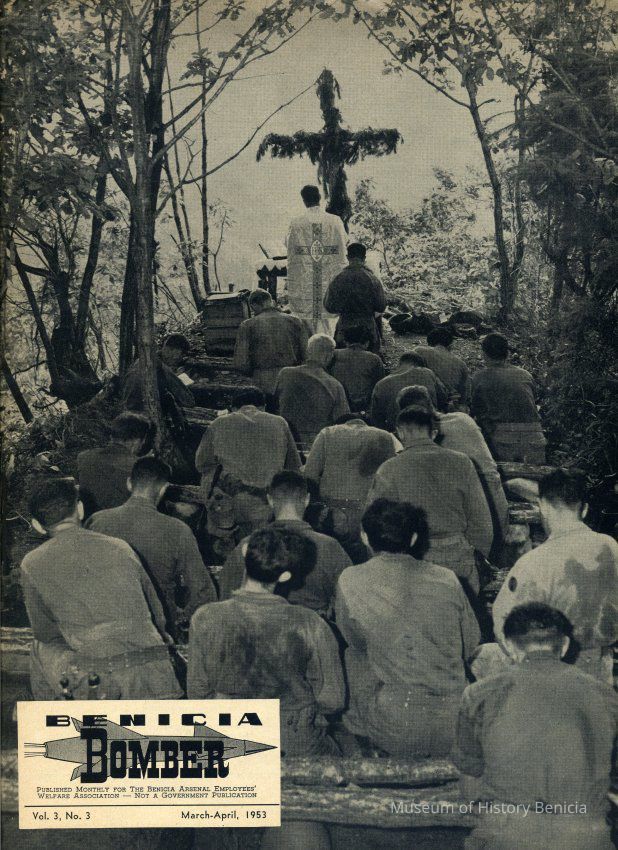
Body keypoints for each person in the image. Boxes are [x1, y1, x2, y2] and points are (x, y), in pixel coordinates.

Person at [454, 603, 617, 850]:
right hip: (586, 836)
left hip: (509, 835)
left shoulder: (479, 694)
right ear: (564, 645)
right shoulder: (607, 695)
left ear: (508, 646)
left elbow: (470, 789)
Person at [336, 500, 480, 758]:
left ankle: (367, 747)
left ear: (364, 537)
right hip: (457, 722)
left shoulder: (350, 579)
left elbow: (355, 641)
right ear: (414, 538)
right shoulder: (447, 578)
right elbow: (471, 643)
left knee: (352, 655)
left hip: (397, 726)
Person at [20, 477, 182, 700]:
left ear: (37, 525)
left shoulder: (31, 563)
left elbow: (45, 632)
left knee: (40, 646)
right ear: (80, 509)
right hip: (157, 675)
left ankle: (54, 715)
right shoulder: (120, 547)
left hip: (101, 682)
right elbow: (158, 616)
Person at [188, 526, 345, 754]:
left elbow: (197, 693)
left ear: (244, 553)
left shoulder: (205, 617)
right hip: (291, 737)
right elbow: (333, 700)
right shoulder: (310, 623)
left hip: (230, 737)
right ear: (285, 576)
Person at [489, 469, 618, 682]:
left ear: (543, 507)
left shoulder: (534, 562)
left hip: (552, 675)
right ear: (585, 509)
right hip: (601, 669)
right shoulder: (611, 547)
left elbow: (504, 623)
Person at [87, 457, 217, 641]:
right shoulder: (177, 530)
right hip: (157, 629)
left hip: (104, 624)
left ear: (129, 483)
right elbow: (203, 592)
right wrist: (182, 618)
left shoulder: (97, 521)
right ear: (164, 489)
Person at [366, 406, 493, 593]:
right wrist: (475, 555)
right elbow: (482, 522)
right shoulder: (463, 462)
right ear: (434, 433)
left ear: (400, 432)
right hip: (457, 556)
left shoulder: (389, 468)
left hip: (412, 559)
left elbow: (373, 525)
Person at [218, 472, 351, 615]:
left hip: (258, 625)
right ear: (307, 500)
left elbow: (225, 598)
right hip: (311, 626)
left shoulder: (249, 545)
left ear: (270, 500)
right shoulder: (330, 547)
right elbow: (349, 600)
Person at [396, 386, 509, 542]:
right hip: (498, 509)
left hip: (474, 526)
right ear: (431, 403)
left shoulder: (424, 437)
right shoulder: (463, 419)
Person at [195, 386, 301, 537]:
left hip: (229, 503)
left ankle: (220, 537)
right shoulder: (280, 422)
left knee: (210, 473)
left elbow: (201, 463)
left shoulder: (218, 423)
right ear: (263, 406)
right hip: (266, 504)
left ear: (233, 408)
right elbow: (294, 466)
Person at [304, 414, 396, 561]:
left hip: (332, 515)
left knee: (334, 561)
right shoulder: (384, 436)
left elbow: (310, 476)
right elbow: (391, 481)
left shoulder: (327, 433)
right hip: (368, 515)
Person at [471, 332, 546, 463]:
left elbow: (474, 409)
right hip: (534, 434)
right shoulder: (525, 375)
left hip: (503, 438)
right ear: (507, 353)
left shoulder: (479, 378)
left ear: (484, 354)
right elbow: (534, 400)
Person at [285, 184, 347, 334]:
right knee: (327, 316)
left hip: (306, 280)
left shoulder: (296, 223)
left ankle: (308, 344)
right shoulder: (335, 221)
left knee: (306, 319)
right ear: (319, 198)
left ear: (304, 201)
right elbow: (343, 242)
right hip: (327, 279)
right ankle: (328, 341)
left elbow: (288, 244)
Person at [275, 334, 349, 450]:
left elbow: (274, 405)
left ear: (308, 351)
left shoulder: (285, 374)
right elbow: (342, 421)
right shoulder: (335, 385)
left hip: (286, 438)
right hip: (317, 443)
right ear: (329, 356)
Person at [232, 289, 308, 400]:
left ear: (253, 305)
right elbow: (306, 354)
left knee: (267, 409)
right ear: (271, 301)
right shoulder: (295, 321)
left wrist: (252, 373)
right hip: (291, 378)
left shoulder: (248, 325)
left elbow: (241, 361)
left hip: (262, 380)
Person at [77, 412, 152, 517]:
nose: (143, 444)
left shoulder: (84, 457)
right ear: (136, 441)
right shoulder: (141, 468)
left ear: (112, 436)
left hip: (91, 523)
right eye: (143, 440)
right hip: (124, 523)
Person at [323, 242, 387, 352]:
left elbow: (329, 306)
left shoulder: (338, 279)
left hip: (345, 328)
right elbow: (381, 306)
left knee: (343, 358)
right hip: (367, 329)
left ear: (348, 257)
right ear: (364, 258)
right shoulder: (373, 279)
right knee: (370, 359)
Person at [369, 352, 448, 431]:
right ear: (419, 365)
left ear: (399, 364)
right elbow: (443, 397)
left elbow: (376, 420)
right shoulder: (427, 373)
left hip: (399, 433)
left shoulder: (381, 384)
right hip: (429, 430)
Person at [122, 332, 196, 413]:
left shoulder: (141, 360)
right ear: (172, 350)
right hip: (142, 414)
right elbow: (189, 401)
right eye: (181, 355)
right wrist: (177, 380)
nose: (180, 359)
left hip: (127, 409)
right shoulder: (161, 367)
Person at [328, 325, 386, 412]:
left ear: (346, 342)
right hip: (363, 408)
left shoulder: (334, 355)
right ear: (367, 343)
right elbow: (380, 386)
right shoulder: (374, 359)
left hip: (337, 405)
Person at [413, 327, 470, 409]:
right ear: (450, 345)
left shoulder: (419, 351)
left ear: (429, 343)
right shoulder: (461, 364)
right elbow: (464, 395)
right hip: (448, 406)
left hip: (423, 402)